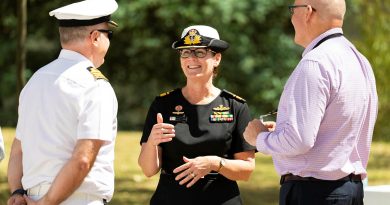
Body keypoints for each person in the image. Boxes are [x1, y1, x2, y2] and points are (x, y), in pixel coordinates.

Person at [243, 0, 378, 204]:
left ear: (307, 12)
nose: (291, 17)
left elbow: (299, 141)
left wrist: (259, 138)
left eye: (293, 10)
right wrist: (281, 132)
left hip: (314, 193)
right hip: (349, 190)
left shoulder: (315, 62)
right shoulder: (359, 61)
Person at [7, 0, 119, 204]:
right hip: (76, 198)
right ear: (95, 37)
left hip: (32, 197)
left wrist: (17, 193)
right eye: (108, 35)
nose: (109, 43)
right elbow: (83, 159)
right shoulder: (94, 85)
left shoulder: (36, 80)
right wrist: (48, 202)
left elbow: (17, 150)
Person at [138, 25, 256, 205]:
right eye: (185, 52)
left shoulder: (235, 106)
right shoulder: (162, 104)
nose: (191, 58)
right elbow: (148, 170)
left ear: (217, 58)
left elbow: (247, 170)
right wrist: (152, 142)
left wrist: (215, 163)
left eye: (200, 52)